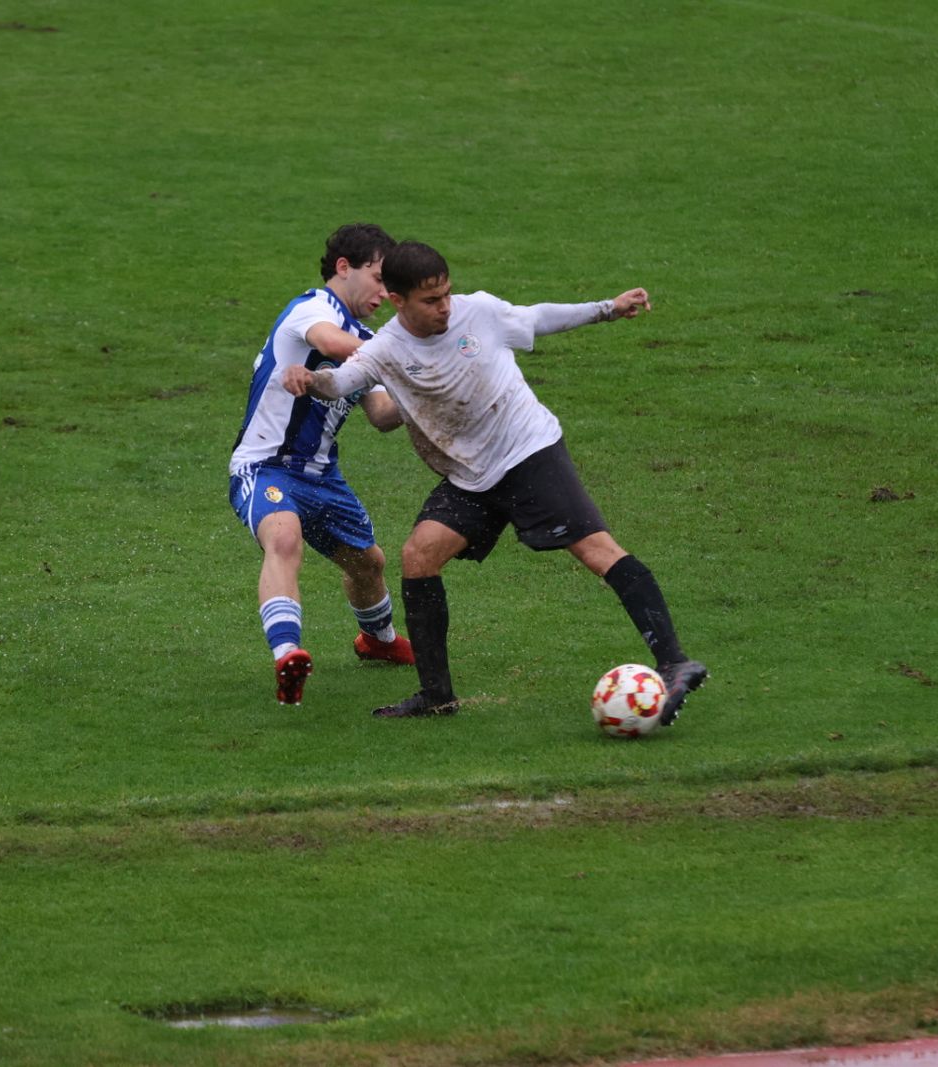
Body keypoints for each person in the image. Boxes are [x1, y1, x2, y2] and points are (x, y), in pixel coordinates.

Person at [282, 240, 708, 722]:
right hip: (471, 476)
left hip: (529, 453)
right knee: (418, 556)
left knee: (596, 550)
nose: (444, 307)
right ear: (398, 301)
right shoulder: (385, 349)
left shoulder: (478, 312)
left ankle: (674, 662)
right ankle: (436, 695)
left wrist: (607, 309)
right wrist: (308, 379)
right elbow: (339, 382)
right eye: (430, 300)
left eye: (446, 294)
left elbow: (539, 318)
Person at [228, 223, 415, 706]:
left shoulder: (370, 340)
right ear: (344, 268)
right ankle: (287, 656)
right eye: (378, 277)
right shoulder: (313, 308)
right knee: (284, 538)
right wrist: (413, 355)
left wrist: (429, 397)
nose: (385, 292)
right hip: (265, 466)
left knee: (368, 563)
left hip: (322, 477)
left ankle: (377, 640)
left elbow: (382, 417)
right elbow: (330, 344)